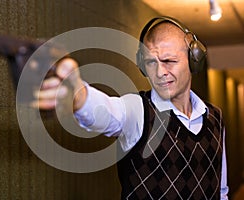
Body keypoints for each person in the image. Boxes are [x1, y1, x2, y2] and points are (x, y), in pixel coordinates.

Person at [34, 16, 229, 199]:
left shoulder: (215, 118)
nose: (160, 72)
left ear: (194, 60)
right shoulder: (138, 110)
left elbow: (221, 191)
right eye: (151, 62)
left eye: (169, 61)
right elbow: (107, 111)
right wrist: (77, 95)